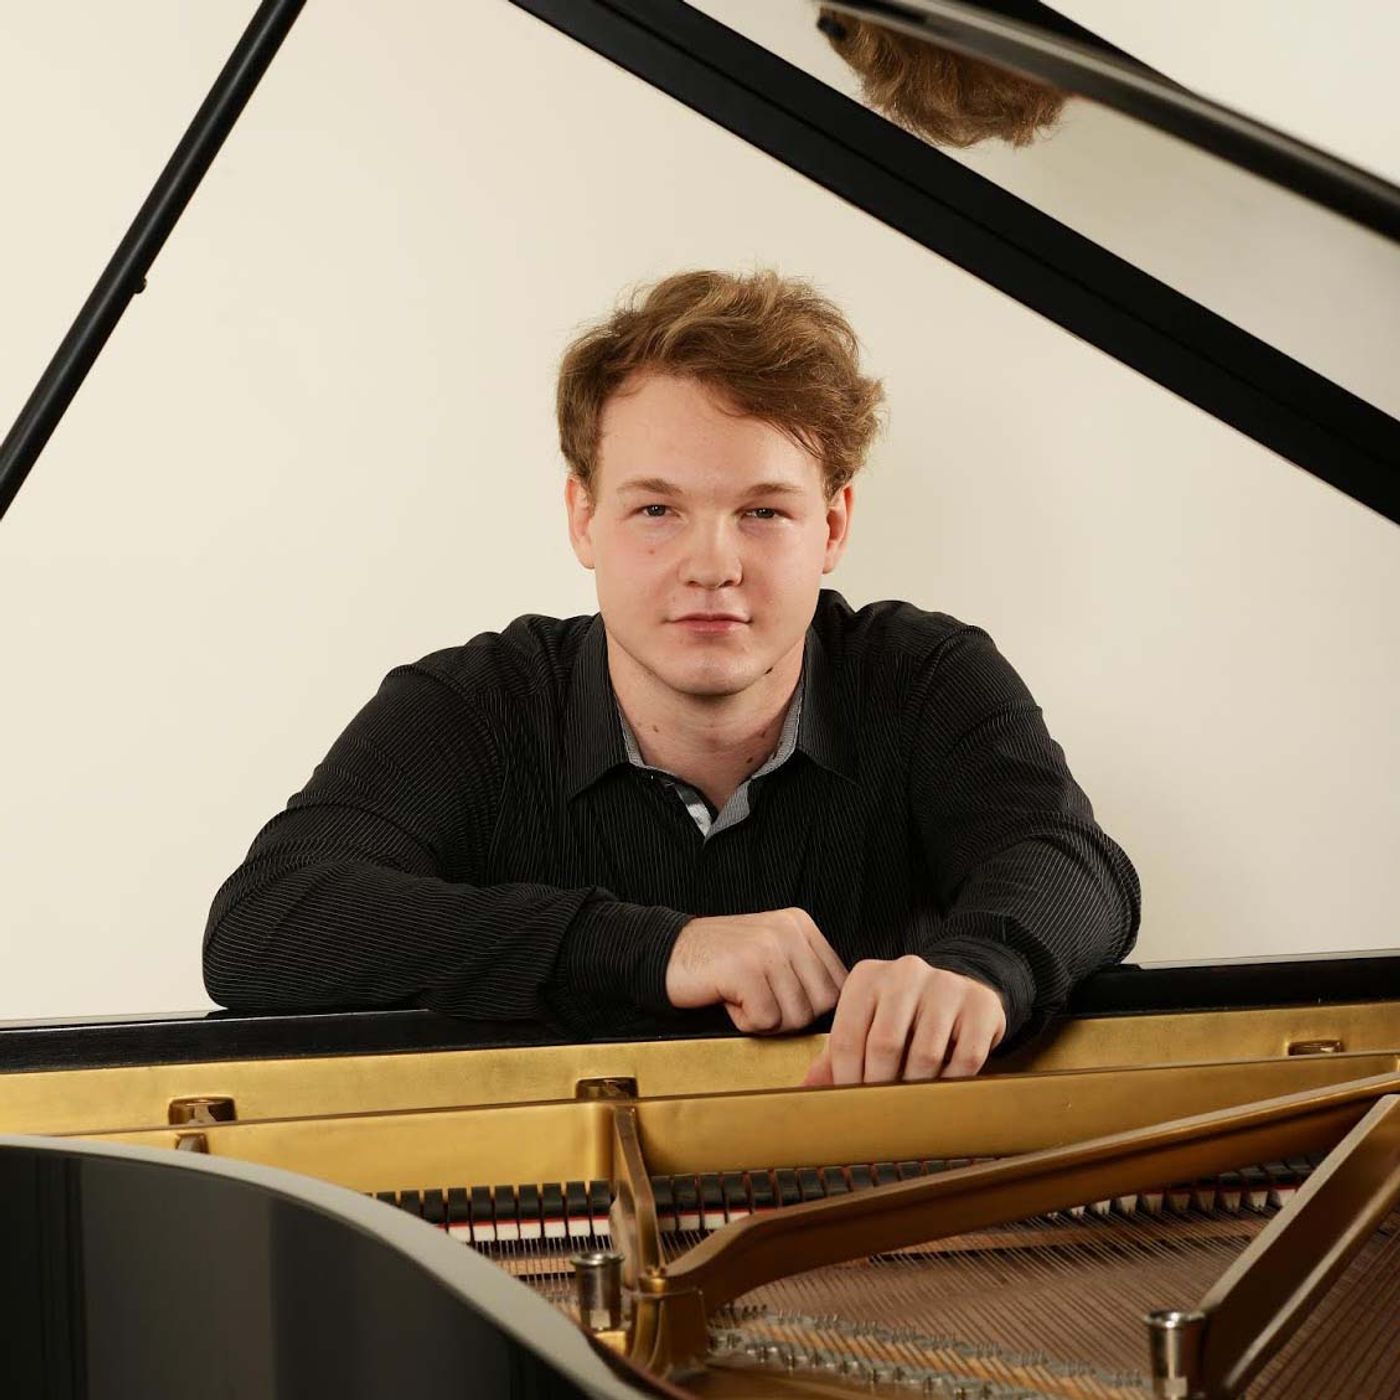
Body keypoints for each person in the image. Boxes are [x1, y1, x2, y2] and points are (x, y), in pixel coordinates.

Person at [204, 268, 1139, 1084]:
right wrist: (657, 948)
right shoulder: (471, 706)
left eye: (763, 512)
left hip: (897, 1188)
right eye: (657, 509)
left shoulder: (927, 678)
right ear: (584, 519)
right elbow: (267, 922)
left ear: (833, 527)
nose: (712, 567)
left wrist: (978, 968)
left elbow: (1072, 865)